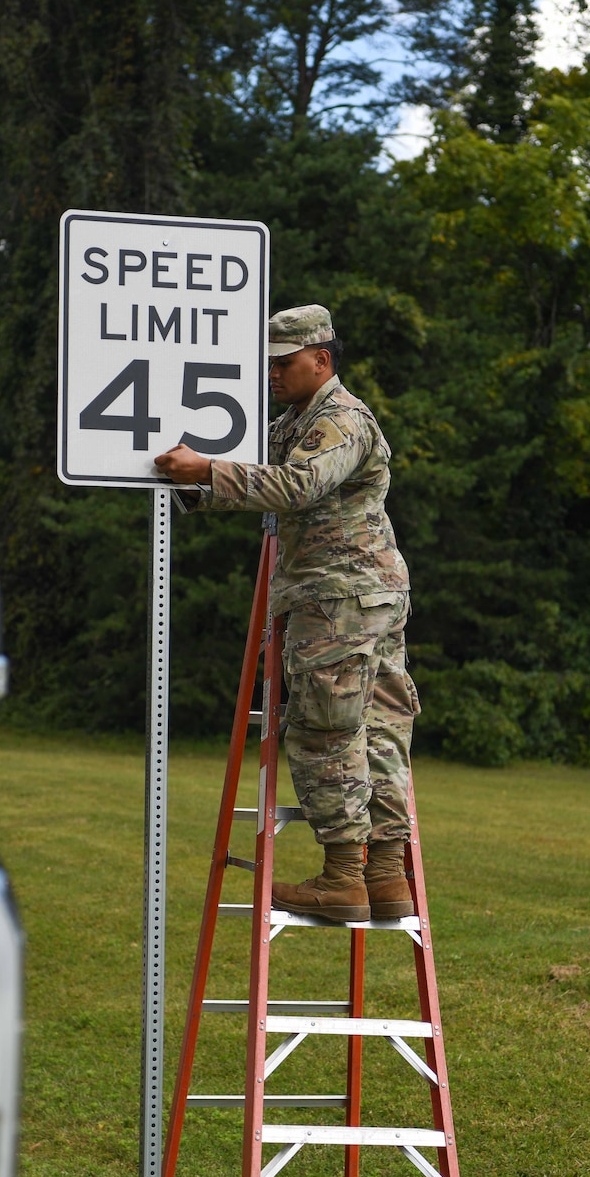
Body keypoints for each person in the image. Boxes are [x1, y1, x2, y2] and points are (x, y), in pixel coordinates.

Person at [154, 304, 418, 922]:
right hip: (357, 596)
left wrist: (209, 470)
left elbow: (297, 487)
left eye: (284, 361)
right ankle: (383, 877)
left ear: (321, 359)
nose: (272, 372)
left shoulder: (341, 419)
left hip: (340, 600)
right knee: (377, 730)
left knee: (328, 730)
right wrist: (192, 484)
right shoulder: (294, 422)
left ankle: (344, 877)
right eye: (267, 362)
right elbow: (267, 479)